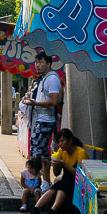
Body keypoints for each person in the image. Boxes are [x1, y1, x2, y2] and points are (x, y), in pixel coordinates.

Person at [21, 52, 61, 186]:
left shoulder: (52, 78)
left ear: (49, 64)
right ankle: (45, 182)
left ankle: (41, 183)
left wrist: (35, 103)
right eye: (36, 62)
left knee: (39, 153)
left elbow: (54, 101)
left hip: (45, 120)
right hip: (39, 120)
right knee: (42, 153)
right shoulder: (43, 78)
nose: (37, 65)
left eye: (41, 62)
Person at [31, 128, 88, 214]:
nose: (60, 144)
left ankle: (53, 211)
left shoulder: (81, 152)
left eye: (62, 141)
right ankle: (36, 208)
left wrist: (63, 163)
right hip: (65, 182)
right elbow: (56, 173)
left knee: (62, 186)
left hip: (77, 184)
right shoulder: (62, 152)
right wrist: (56, 165)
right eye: (59, 142)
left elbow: (80, 174)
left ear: (70, 140)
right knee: (56, 186)